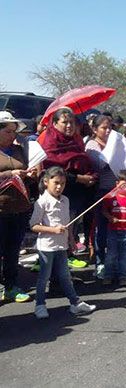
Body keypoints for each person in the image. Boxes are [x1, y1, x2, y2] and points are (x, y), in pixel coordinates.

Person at [30, 167, 96, 318]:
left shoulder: (65, 200)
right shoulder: (42, 202)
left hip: (62, 245)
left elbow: (67, 223)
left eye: (63, 183)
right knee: (44, 277)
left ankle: (75, 303)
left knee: (65, 276)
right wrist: (53, 230)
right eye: (56, 183)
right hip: (47, 246)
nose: (60, 187)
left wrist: (71, 239)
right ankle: (40, 305)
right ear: (46, 182)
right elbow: (33, 225)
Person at [39, 108, 96, 269]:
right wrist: (79, 178)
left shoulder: (76, 140)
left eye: (72, 122)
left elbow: (81, 160)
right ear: (55, 123)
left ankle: (65, 260)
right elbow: (52, 170)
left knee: (70, 228)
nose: (69, 126)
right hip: (58, 192)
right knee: (57, 228)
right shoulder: (50, 141)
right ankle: (51, 266)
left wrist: (90, 177)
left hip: (76, 192)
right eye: (65, 122)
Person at [0, 111, 34, 303]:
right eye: (8, 131)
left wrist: (29, 174)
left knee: (13, 250)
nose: (12, 135)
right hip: (1, 209)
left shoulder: (19, 150)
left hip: (19, 208)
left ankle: (11, 286)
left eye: (14, 131)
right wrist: (9, 174)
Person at [85, 115, 116, 275]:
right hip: (101, 192)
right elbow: (102, 163)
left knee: (115, 228)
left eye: (110, 127)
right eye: (104, 127)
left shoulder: (112, 143)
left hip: (116, 191)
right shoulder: (92, 145)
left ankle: (113, 261)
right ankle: (100, 262)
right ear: (95, 129)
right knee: (101, 229)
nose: (108, 130)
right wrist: (114, 151)